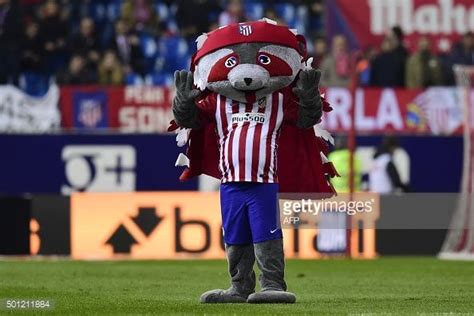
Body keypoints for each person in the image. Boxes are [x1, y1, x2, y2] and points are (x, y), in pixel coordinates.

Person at [0, 0, 22, 84]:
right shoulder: (1, 9)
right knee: (1, 72)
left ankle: (16, 94)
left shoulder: (16, 9)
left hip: (12, 45)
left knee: (14, 72)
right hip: (1, 45)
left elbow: (18, 27)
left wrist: (4, 30)